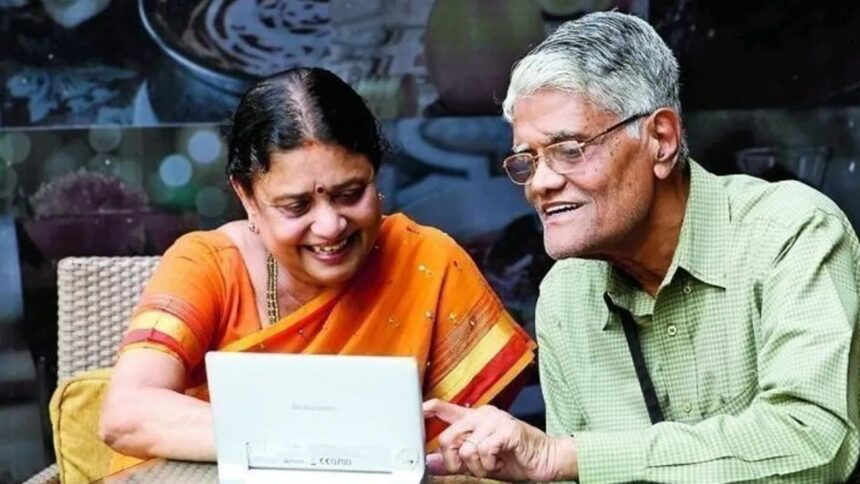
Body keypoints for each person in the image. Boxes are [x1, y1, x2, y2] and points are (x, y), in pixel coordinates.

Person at [426, 11, 860, 483]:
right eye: (527, 160)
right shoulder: (565, 295)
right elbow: (563, 471)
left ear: (661, 140)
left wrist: (563, 458)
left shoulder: (789, 233)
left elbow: (815, 443)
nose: (540, 183)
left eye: (569, 150)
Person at [99, 67, 535, 466]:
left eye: (350, 194)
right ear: (247, 197)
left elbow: (471, 449)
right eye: (296, 205)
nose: (330, 226)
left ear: (375, 175)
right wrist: (323, 446)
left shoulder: (429, 262)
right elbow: (127, 414)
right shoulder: (207, 265)